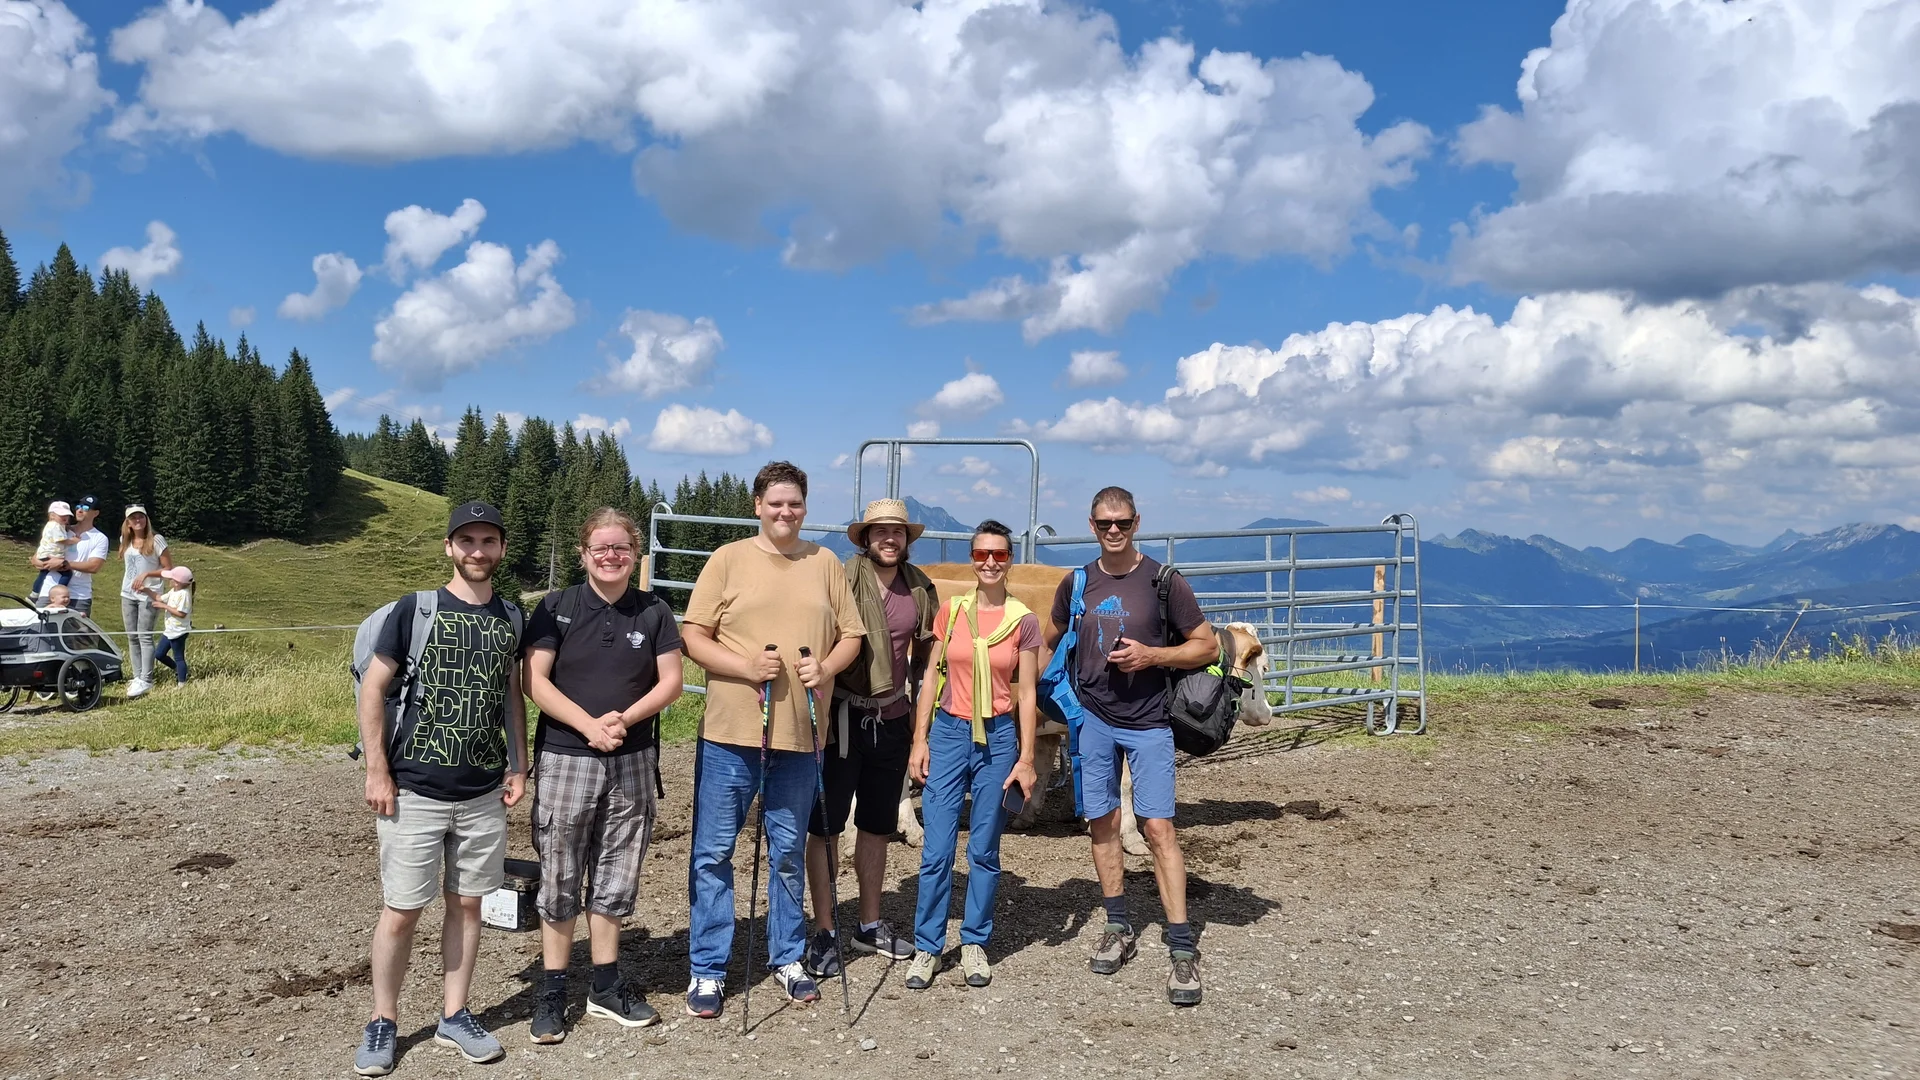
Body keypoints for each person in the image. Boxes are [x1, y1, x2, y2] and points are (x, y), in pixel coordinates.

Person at [678, 461, 863, 1019]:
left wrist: (825, 668)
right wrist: (743, 665)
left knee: (786, 852)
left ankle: (787, 956)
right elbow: (692, 635)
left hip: (803, 735)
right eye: (776, 503)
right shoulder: (728, 559)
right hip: (733, 732)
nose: (786, 512)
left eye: (796, 504)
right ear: (757, 505)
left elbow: (851, 635)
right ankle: (708, 968)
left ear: (805, 508)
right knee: (713, 853)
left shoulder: (825, 562)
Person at [352, 501, 528, 1077]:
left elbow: (510, 696)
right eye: (467, 541)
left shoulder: (512, 617)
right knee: (401, 910)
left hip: (483, 792)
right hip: (414, 791)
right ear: (449, 548)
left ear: (502, 549)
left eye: (489, 541)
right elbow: (373, 689)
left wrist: (519, 765)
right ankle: (383, 1020)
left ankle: (455, 1014)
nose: (478, 551)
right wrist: (378, 771)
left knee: (468, 904)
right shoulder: (415, 610)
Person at [1046, 486, 1217, 1006]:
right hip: (1093, 720)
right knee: (1100, 821)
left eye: (1121, 522)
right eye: (1103, 523)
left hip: (1149, 723)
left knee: (1158, 826)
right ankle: (1117, 924)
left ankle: (1182, 947)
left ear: (1137, 522)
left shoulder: (1164, 581)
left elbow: (1206, 645)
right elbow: (1052, 639)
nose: (1113, 530)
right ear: (1092, 524)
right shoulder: (1077, 582)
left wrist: (1152, 655)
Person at [522, 508, 684, 1044]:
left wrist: (623, 720)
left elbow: (671, 683)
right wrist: (589, 725)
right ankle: (552, 989)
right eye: (601, 548)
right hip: (567, 755)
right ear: (584, 552)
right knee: (561, 871)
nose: (611, 556)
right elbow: (534, 682)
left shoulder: (655, 610)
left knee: (618, 870)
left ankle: (605, 986)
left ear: (634, 553)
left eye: (621, 548)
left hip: (633, 757)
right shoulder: (555, 607)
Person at [802, 498, 937, 977]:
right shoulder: (841, 578)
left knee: (878, 825)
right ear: (864, 537)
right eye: (880, 531)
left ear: (907, 539)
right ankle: (822, 928)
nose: (889, 539)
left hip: (892, 719)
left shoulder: (920, 588)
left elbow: (926, 656)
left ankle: (869, 923)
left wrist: (920, 729)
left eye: (897, 532)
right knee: (826, 826)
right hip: (843, 717)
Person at [903, 519, 1039, 990]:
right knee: (937, 848)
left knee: (984, 848)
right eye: (981, 554)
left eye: (999, 555)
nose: (989, 563)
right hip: (948, 732)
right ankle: (927, 946)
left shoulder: (1023, 620)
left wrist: (1026, 757)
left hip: (999, 738)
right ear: (972, 558)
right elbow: (928, 679)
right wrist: (919, 740)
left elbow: (1026, 693)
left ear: (1009, 560)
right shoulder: (952, 612)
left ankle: (975, 941)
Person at [118, 504, 174, 699]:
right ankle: (137, 676)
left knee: (144, 635)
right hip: (128, 593)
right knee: (132, 636)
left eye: (140, 516)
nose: (137, 520)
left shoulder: (156, 540)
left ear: (146, 519)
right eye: (133, 518)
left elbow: (168, 569)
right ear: (128, 523)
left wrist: (148, 574)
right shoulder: (126, 540)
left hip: (148, 594)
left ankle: (146, 678)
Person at [51, 496, 107, 617]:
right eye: (78, 507)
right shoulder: (61, 531)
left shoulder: (100, 538)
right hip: (51, 593)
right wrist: (44, 563)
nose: (80, 510)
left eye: (86, 508)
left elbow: (94, 566)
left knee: (78, 635)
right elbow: (37, 557)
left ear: (96, 513)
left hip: (79, 596)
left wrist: (65, 564)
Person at [150, 566, 194, 686]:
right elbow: (159, 598)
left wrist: (164, 607)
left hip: (179, 631)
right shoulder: (173, 591)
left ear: (176, 583)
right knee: (159, 654)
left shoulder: (184, 595)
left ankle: (182, 683)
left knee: (179, 657)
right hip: (169, 630)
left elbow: (181, 613)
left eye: (171, 579)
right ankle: (179, 670)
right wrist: (145, 590)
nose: (168, 580)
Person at [30, 501, 77, 602]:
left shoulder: (53, 525)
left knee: (43, 573)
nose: (65, 517)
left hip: (45, 554)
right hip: (52, 555)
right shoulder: (55, 526)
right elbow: (61, 540)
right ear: (52, 515)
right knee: (67, 573)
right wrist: (73, 540)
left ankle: (34, 594)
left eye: (67, 515)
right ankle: (59, 593)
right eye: (61, 515)